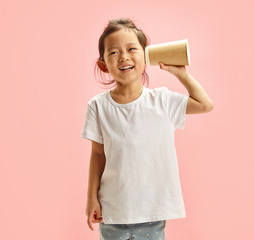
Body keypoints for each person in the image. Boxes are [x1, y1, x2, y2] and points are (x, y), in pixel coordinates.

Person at [80, 18, 213, 240]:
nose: (123, 56)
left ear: (146, 56)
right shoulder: (98, 106)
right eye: (113, 52)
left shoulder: (163, 101)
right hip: (113, 211)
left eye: (132, 49)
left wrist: (180, 73)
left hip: (152, 211)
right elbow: (97, 155)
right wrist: (91, 198)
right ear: (104, 64)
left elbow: (205, 104)